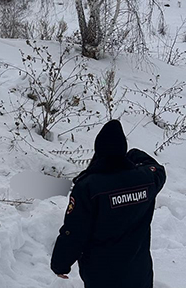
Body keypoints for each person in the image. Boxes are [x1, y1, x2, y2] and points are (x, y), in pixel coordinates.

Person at [50, 119, 166, 288]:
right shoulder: (146, 179)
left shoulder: (89, 186)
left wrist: (60, 263)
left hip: (102, 276)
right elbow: (157, 168)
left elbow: (75, 231)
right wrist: (133, 154)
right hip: (139, 273)